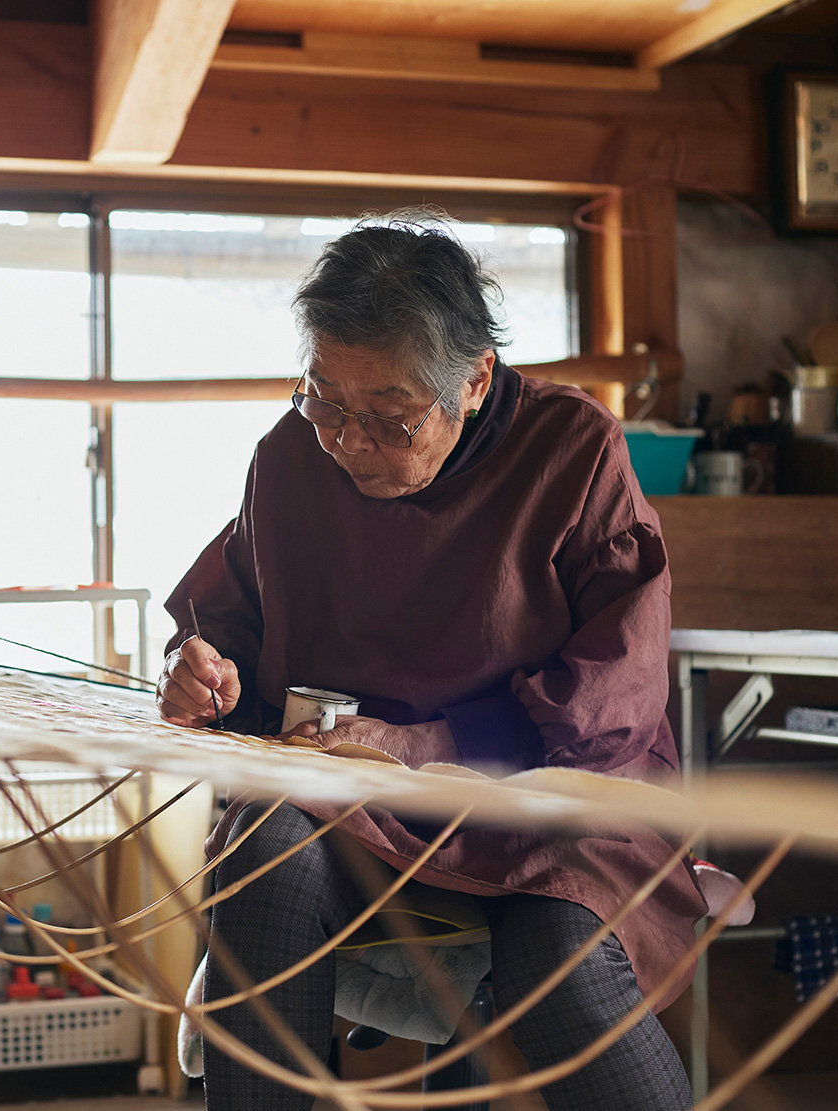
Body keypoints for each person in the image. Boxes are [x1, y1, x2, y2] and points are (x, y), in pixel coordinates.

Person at [156, 211, 705, 1111]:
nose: (347, 439)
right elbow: (225, 627)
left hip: (548, 797)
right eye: (323, 398)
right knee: (260, 861)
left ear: (476, 380)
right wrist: (201, 672)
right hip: (346, 800)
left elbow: (612, 699)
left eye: (389, 416)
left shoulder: (571, 451)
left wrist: (414, 746)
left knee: (560, 955)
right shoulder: (290, 459)